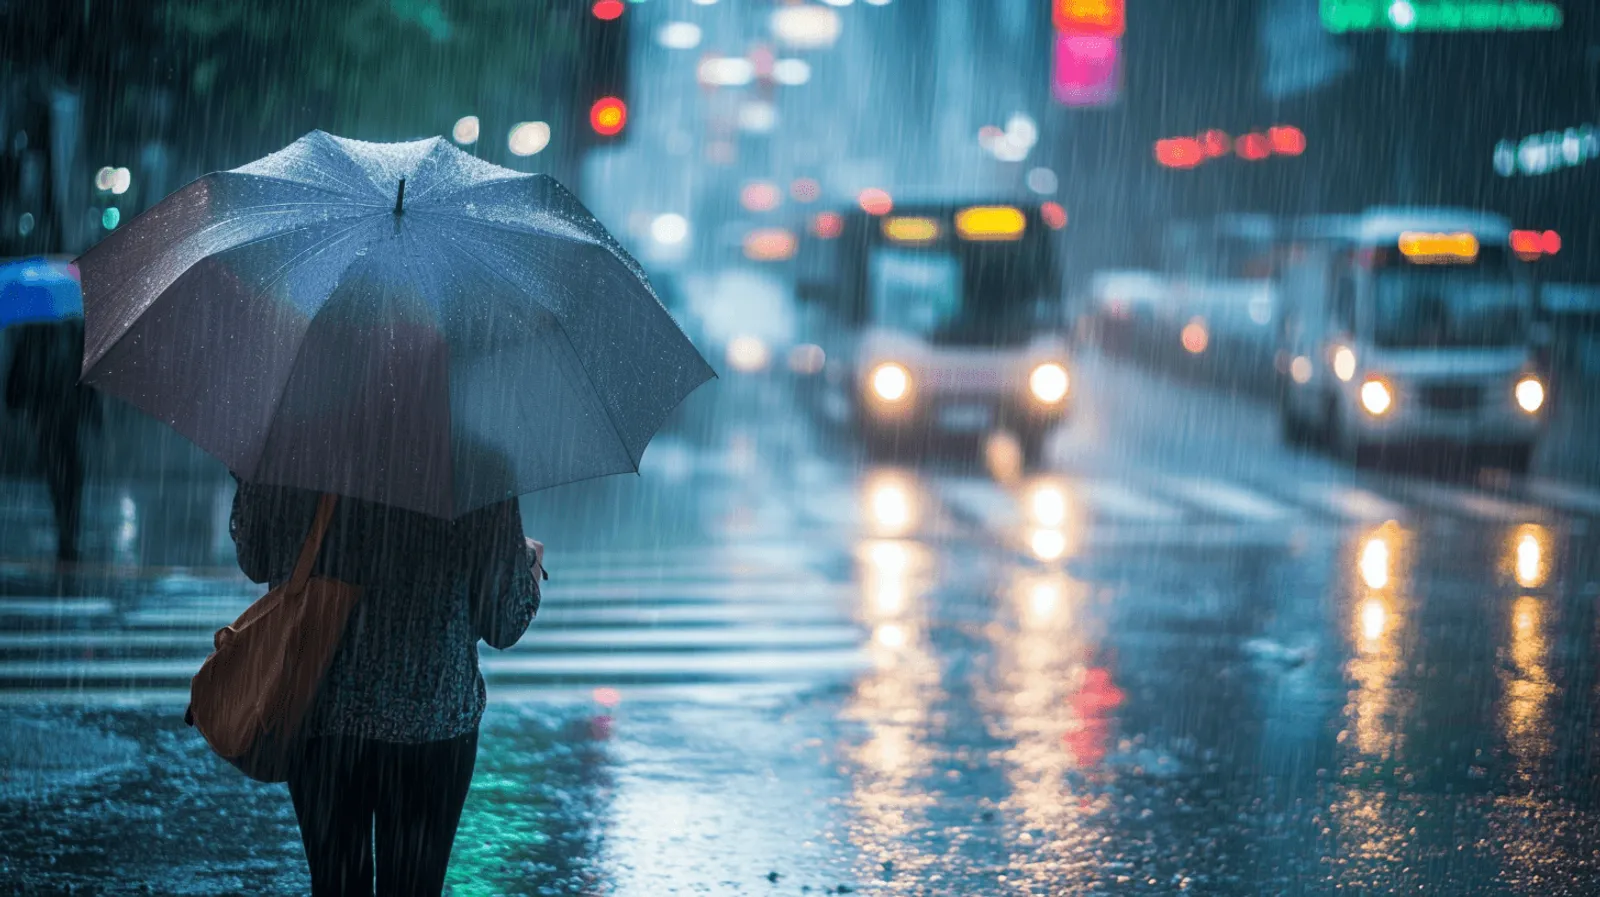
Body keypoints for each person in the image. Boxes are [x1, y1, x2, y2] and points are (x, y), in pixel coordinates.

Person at [229, 477, 542, 896]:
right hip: (432, 720)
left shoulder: (300, 446)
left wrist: (251, 476)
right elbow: (503, 622)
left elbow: (256, 555)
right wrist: (525, 563)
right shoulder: (473, 463)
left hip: (320, 705)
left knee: (337, 884)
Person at [3, 318, 101, 565]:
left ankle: (67, 532)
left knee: (65, 473)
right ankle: (67, 533)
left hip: (52, 412)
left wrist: (15, 397)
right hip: (56, 412)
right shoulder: (67, 329)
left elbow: (83, 374)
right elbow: (85, 374)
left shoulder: (38, 330)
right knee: (67, 474)